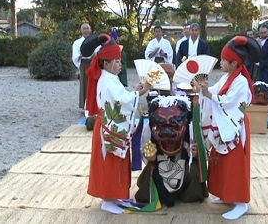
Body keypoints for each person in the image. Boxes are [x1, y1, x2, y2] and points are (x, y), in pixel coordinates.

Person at [194, 36, 261, 220]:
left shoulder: (240, 82)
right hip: (224, 125)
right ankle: (226, 194)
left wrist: (208, 94)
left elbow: (230, 102)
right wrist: (202, 89)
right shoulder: (227, 77)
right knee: (221, 163)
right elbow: (215, 91)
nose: (221, 62)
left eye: (224, 60)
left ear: (233, 63)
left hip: (233, 127)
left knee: (235, 165)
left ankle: (241, 202)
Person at [84, 34, 151, 214]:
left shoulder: (109, 78)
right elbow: (121, 101)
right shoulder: (107, 80)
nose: (120, 64)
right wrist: (139, 94)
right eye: (117, 61)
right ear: (106, 64)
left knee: (115, 162)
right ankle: (107, 198)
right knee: (110, 162)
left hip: (110, 124)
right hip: (109, 126)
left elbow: (121, 98)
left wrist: (135, 92)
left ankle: (114, 195)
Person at [135, 95, 209, 207]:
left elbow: (205, 154)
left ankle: (188, 191)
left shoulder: (192, 128)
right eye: (161, 125)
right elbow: (144, 152)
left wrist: (197, 155)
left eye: (174, 124)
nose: (168, 131)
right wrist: (150, 158)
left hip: (184, 167)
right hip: (159, 167)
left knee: (193, 169)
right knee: (150, 172)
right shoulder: (149, 130)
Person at [256, 24, 268, 116]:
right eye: (261, 32)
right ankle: (259, 104)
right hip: (258, 67)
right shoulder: (257, 40)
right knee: (257, 86)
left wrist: (260, 46)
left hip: (267, 67)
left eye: (264, 32)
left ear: (267, 32)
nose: (263, 34)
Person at [72, 23, 92, 111]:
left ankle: (94, 105)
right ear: (81, 30)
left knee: (94, 84)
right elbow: (75, 56)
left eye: (87, 28)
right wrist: (80, 55)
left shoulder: (95, 41)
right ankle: (84, 105)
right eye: (84, 29)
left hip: (94, 63)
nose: (86, 30)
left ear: (90, 29)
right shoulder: (77, 43)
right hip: (84, 64)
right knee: (85, 84)